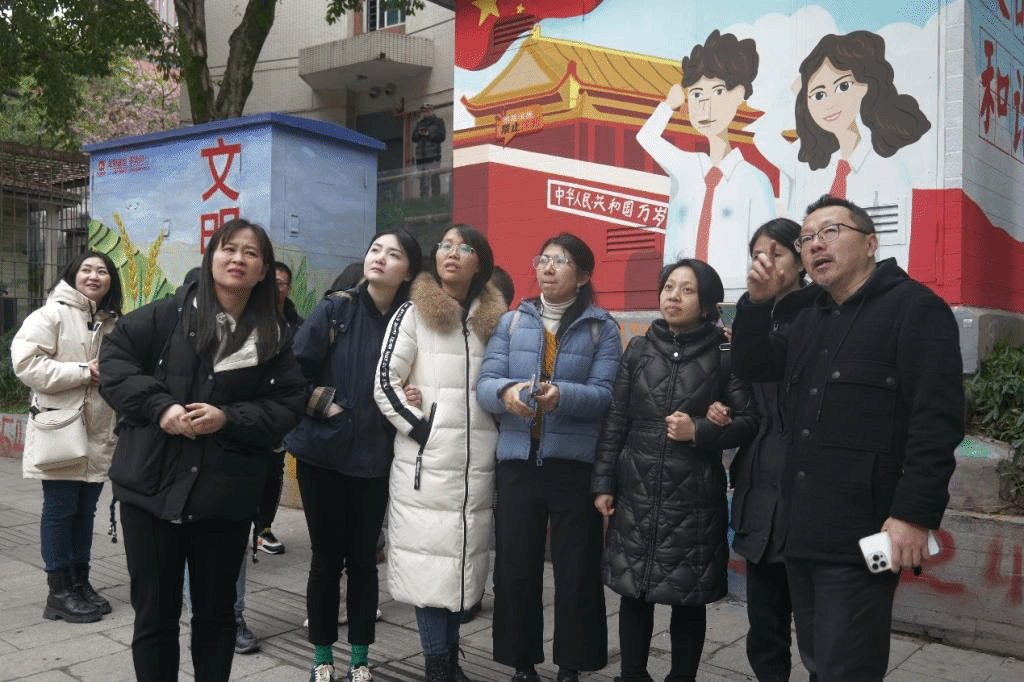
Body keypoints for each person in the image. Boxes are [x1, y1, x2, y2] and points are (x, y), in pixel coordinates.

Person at [731, 195, 963, 681]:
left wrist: (913, 515)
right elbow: (754, 365)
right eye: (807, 238)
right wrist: (755, 304)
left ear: (871, 243)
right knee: (818, 658)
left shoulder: (916, 310)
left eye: (830, 232)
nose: (815, 244)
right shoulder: (808, 318)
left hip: (865, 530)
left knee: (846, 666)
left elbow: (936, 423)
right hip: (800, 528)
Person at [99, 218, 306, 682]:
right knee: (154, 617)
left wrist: (228, 417)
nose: (238, 259)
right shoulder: (166, 316)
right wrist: (160, 407)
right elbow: (114, 361)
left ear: (263, 271)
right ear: (211, 257)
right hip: (151, 492)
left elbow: (288, 404)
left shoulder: (273, 337)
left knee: (215, 617)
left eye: (251, 253)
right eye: (229, 249)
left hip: (223, 498)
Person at [593, 258, 758, 682]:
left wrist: (699, 430)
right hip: (636, 491)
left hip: (693, 499)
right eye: (669, 287)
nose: (674, 296)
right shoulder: (638, 349)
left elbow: (748, 421)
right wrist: (604, 482)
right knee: (634, 593)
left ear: (706, 303)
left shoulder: (724, 354)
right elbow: (616, 420)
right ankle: (632, 675)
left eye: (687, 290)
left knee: (689, 599)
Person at [477, 234, 622, 682]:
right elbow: (485, 383)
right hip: (518, 462)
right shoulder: (511, 323)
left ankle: (570, 666)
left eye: (561, 261)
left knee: (577, 569)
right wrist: (508, 392)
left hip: (573, 467)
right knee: (515, 567)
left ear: (583, 276)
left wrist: (562, 396)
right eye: (543, 259)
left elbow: (605, 395)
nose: (548, 268)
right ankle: (522, 664)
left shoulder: (602, 328)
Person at [285, 230, 423, 682]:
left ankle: (360, 659)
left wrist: (414, 394)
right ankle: (322, 658)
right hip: (323, 454)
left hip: (376, 458)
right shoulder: (335, 309)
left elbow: (421, 378)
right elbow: (291, 374)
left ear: (408, 271)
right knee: (326, 560)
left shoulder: (411, 321)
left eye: (393, 254)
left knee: (364, 561)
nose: (379, 258)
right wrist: (325, 404)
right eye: (375, 249)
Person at [374, 224, 505, 682]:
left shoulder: (495, 322)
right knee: (430, 570)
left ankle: (449, 659)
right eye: (445, 245)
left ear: (480, 261)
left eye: (463, 247)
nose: (451, 253)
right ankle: (437, 665)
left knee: (461, 567)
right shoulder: (412, 313)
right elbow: (385, 382)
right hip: (426, 466)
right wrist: (421, 429)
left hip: (477, 468)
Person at [706, 219, 818, 681]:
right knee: (764, 625)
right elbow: (745, 385)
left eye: (776, 253)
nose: (765, 263)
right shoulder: (753, 315)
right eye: (757, 255)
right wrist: (721, 410)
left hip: (808, 491)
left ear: (801, 260)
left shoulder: (821, 311)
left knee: (818, 631)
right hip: (759, 486)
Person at [12, 252, 123, 624]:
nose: (94, 276)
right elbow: (26, 363)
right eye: (86, 270)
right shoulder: (50, 315)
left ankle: (79, 581)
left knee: (85, 510)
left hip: (99, 430)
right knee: (60, 509)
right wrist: (82, 371)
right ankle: (58, 592)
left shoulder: (112, 323)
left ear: (111, 280)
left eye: (102, 271)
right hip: (61, 429)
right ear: (72, 275)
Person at [636, 30, 774, 291]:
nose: (705, 105)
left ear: (739, 94)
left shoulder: (755, 181)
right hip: (680, 293)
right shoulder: (686, 166)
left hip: (732, 296)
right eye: (697, 94)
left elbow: (764, 252)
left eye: (718, 91)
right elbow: (647, 138)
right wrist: (667, 106)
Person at [255, 261, 305, 556]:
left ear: (289, 288)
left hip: (278, 412)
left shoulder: (297, 325)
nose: (275, 289)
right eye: (270, 283)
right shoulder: (247, 316)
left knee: (273, 471)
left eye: (281, 284)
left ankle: (263, 528)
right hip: (248, 408)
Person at [413, 103, 446, 198]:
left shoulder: (439, 122)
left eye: (428, 111)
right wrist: (419, 133)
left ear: (432, 111)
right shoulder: (419, 123)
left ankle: (436, 201)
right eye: (424, 111)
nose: (426, 113)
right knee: (423, 183)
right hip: (421, 157)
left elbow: (442, 137)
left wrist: (429, 134)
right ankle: (423, 202)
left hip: (434, 156)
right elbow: (413, 138)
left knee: (435, 180)